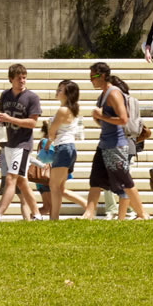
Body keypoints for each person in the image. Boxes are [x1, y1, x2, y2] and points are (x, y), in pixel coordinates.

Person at [82, 63, 149, 221]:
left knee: (125, 181)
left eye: (94, 76)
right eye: (90, 76)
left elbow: (123, 119)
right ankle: (88, 214)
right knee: (95, 178)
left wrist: (101, 117)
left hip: (116, 145)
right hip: (104, 143)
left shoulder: (113, 93)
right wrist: (100, 119)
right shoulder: (103, 94)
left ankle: (142, 214)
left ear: (103, 76)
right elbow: (107, 121)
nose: (91, 79)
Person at [0, 63, 42, 222]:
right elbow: (1, 113)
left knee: (11, 179)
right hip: (8, 143)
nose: (22, 81)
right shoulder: (5, 95)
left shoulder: (32, 97)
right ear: (11, 79)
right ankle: (37, 214)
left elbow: (32, 123)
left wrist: (10, 119)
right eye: (18, 78)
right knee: (22, 182)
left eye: (24, 77)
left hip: (22, 145)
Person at [45, 79, 84, 221]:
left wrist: (47, 143)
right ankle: (87, 206)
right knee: (59, 188)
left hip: (63, 147)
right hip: (69, 148)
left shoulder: (63, 110)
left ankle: (54, 218)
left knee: (54, 185)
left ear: (67, 94)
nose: (57, 91)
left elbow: (52, 132)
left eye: (60, 90)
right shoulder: (72, 109)